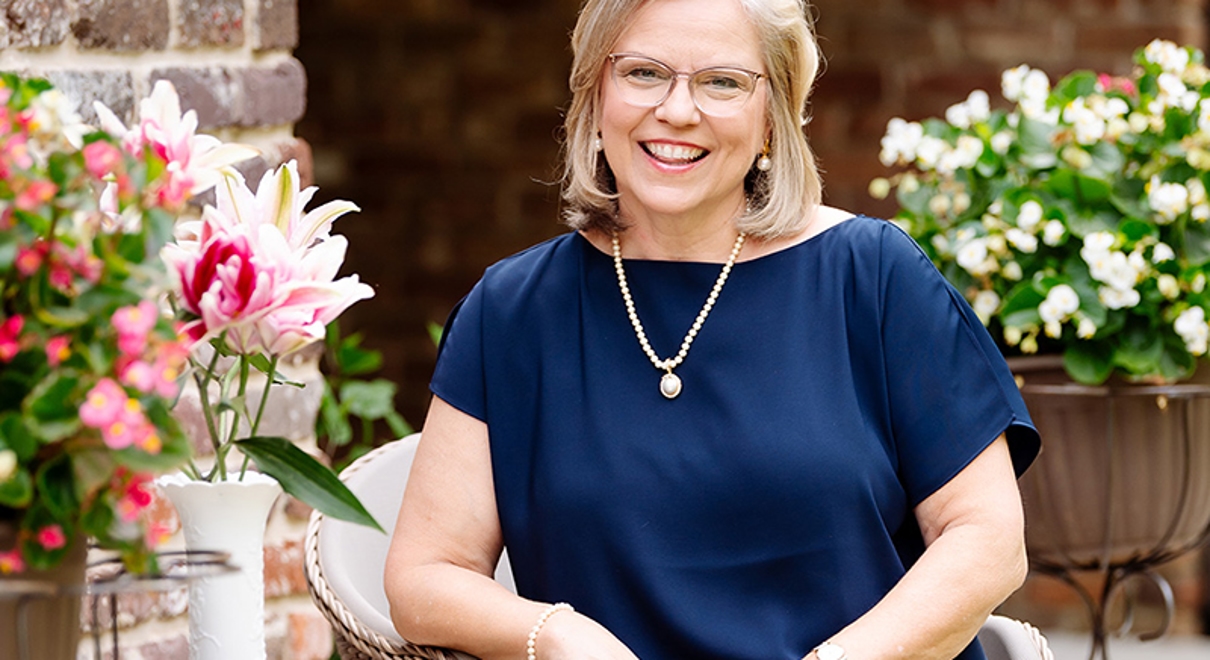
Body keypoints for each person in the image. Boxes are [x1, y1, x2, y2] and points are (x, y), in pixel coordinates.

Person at [384, 0, 1041, 658]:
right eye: (643, 72)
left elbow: (988, 540)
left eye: (722, 82)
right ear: (594, 95)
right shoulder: (513, 311)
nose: (677, 110)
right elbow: (424, 576)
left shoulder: (873, 278)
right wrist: (554, 635)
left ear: (771, 119)